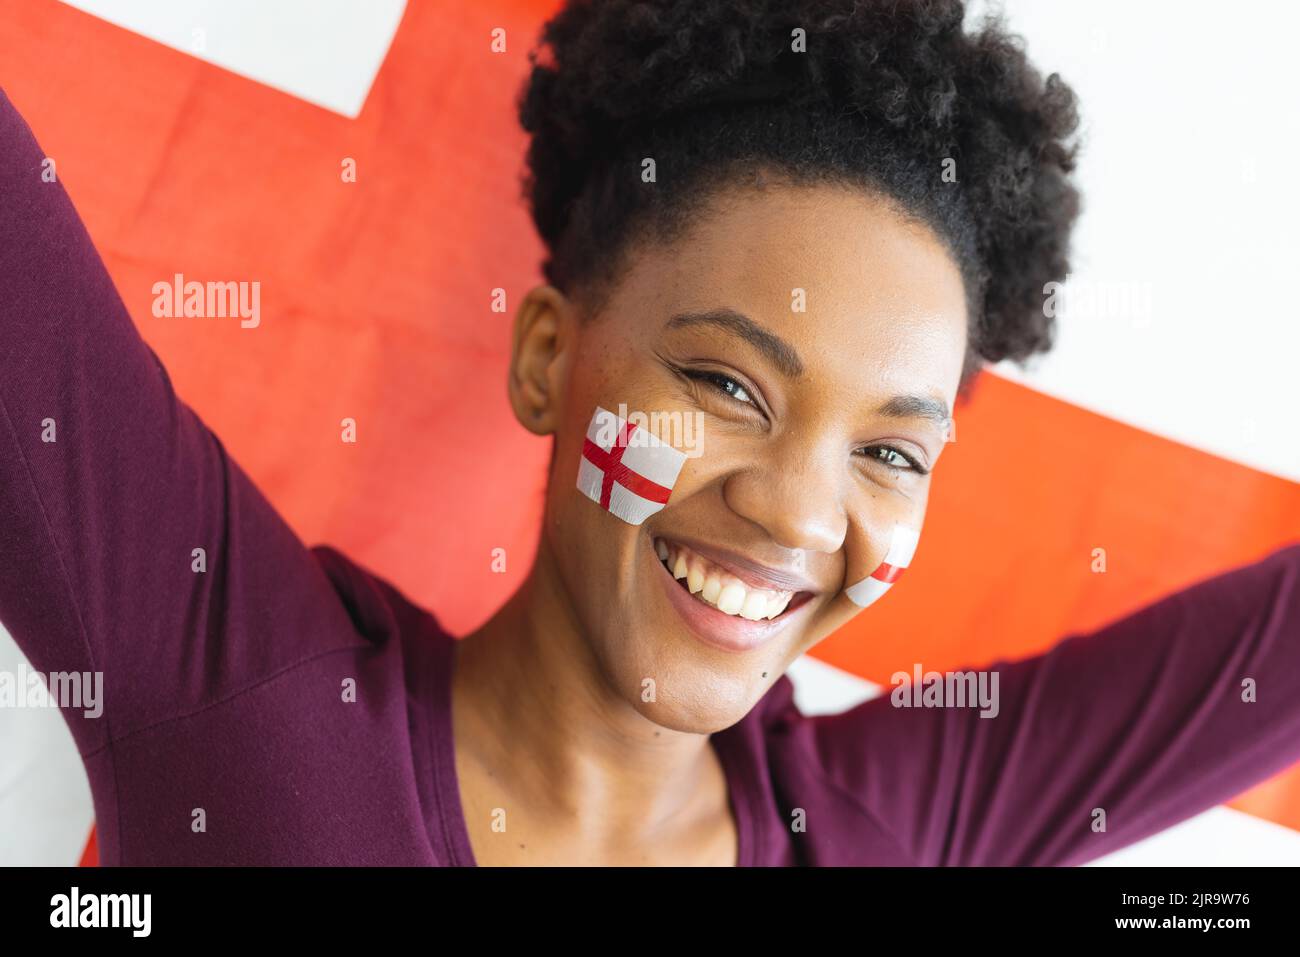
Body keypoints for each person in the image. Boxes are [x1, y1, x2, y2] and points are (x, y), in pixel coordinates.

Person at [1, 0, 1297, 866]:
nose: (798, 513)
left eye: (891, 450)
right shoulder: (243, 697)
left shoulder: (892, 830)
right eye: (730, 386)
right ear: (550, 359)